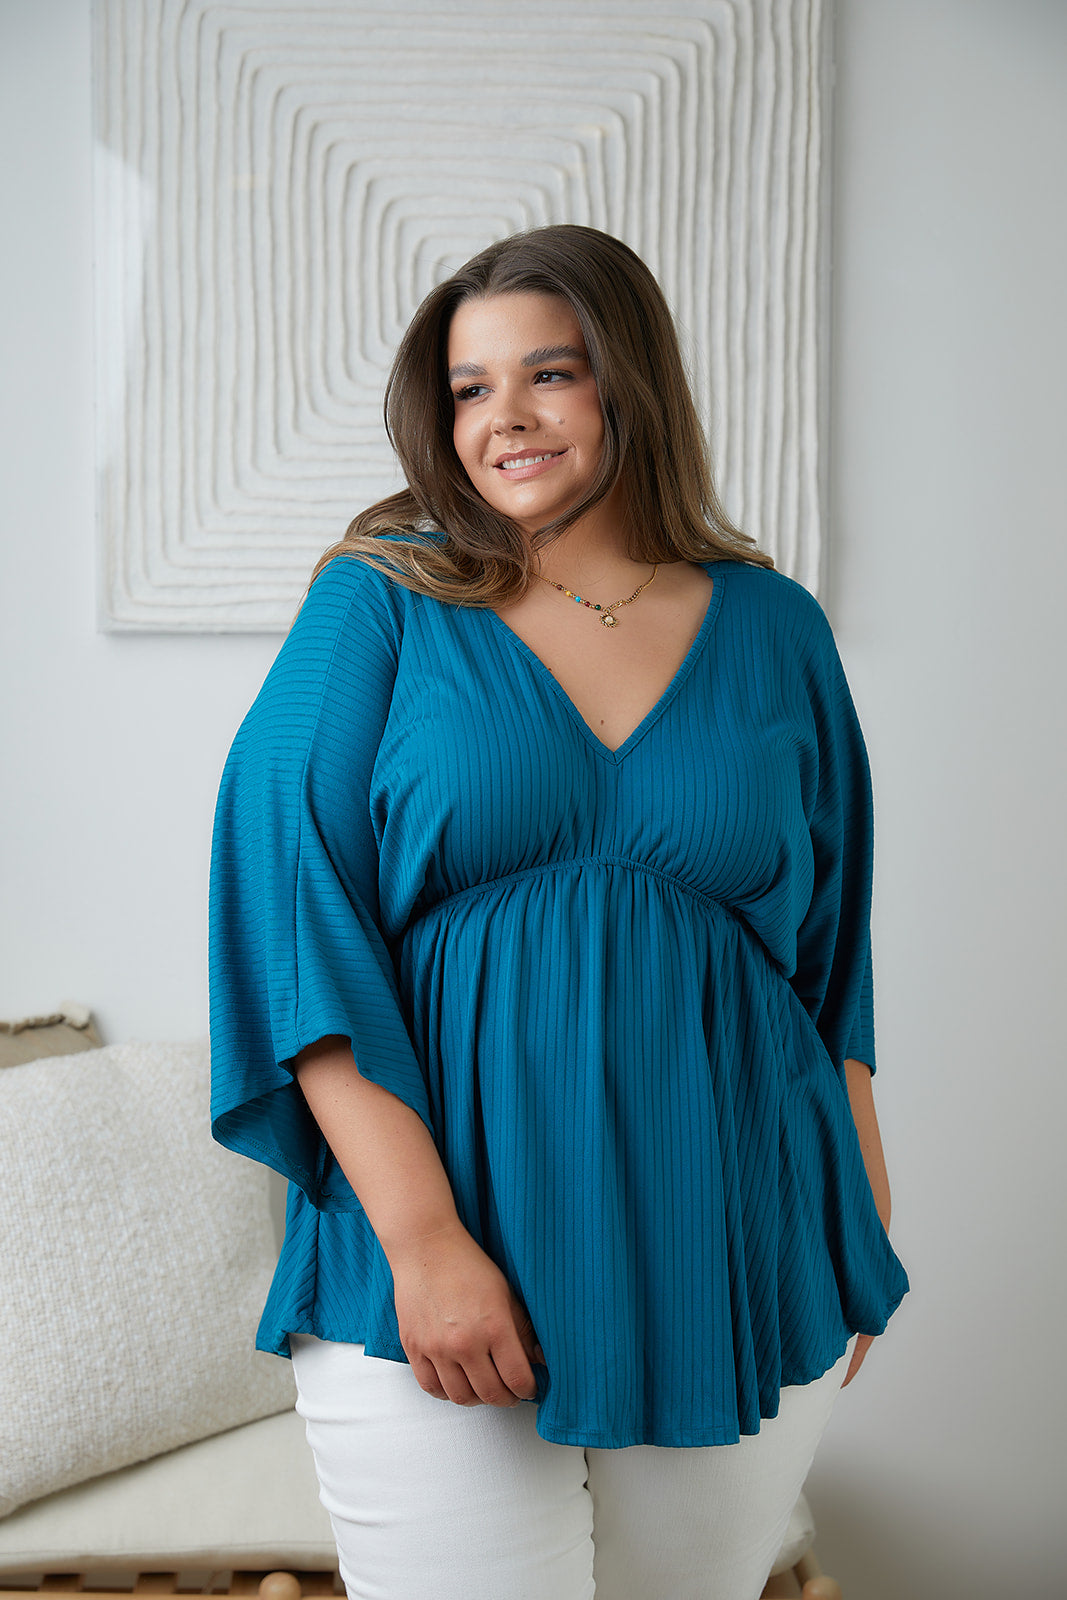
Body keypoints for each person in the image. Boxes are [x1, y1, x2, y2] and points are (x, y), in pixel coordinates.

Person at [208, 224, 908, 1600]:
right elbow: (296, 922)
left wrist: (856, 1223)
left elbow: (831, 961)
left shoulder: (776, 627)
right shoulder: (382, 601)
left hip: (738, 1237)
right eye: (470, 389)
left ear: (629, 383)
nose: (506, 418)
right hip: (437, 1241)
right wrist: (424, 1244)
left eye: (551, 373)